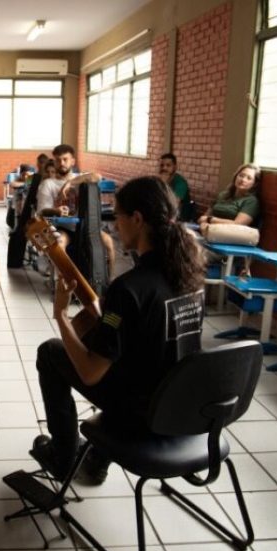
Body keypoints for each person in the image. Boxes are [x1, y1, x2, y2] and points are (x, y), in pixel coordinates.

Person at [32, 176, 206, 485]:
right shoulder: (190, 274)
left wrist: (60, 313)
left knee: (49, 352)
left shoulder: (130, 288)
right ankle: (98, 457)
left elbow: (90, 373)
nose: (115, 226)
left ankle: (63, 457)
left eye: (118, 217)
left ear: (137, 219)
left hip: (143, 415)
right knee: (127, 359)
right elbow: (130, 328)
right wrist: (97, 313)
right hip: (183, 404)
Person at [36, 144, 115, 277]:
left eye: (65, 159)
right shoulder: (47, 184)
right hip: (62, 227)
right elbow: (42, 211)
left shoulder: (80, 179)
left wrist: (70, 183)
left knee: (109, 242)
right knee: (60, 242)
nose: (61, 163)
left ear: (73, 161)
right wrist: (56, 211)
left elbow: (97, 176)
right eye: (58, 160)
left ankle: (109, 283)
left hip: (85, 227)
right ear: (54, 162)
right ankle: (60, 285)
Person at [198, 163, 261, 233]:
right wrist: (204, 223)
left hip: (230, 235)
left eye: (249, 178)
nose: (243, 180)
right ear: (235, 177)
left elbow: (238, 224)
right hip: (208, 231)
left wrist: (210, 220)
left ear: (254, 183)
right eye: (241, 175)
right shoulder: (222, 195)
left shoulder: (251, 201)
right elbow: (203, 217)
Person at [158, 153, 193, 221]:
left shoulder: (180, 183)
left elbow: (173, 205)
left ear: (175, 167)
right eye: (162, 165)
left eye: (168, 165)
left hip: (178, 218)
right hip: (164, 215)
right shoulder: (159, 180)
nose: (164, 168)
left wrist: (163, 184)